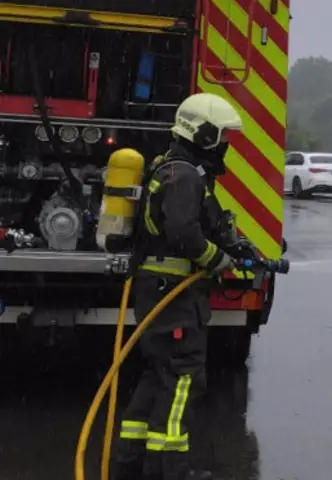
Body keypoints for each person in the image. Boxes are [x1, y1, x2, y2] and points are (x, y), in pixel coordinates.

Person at [113, 93, 255, 480]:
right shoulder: (185, 175)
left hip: (160, 291)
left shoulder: (174, 168)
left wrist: (232, 245)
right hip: (171, 294)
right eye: (222, 137)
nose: (225, 146)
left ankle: (130, 464)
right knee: (183, 379)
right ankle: (170, 469)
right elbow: (183, 233)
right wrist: (218, 260)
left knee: (159, 374)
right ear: (204, 133)